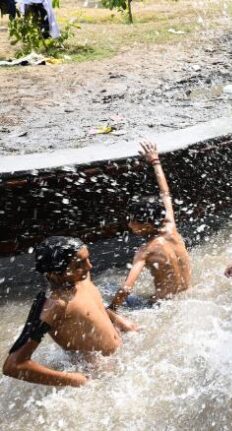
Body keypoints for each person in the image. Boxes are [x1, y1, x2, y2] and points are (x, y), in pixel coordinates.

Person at [3, 237, 137, 387]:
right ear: (55, 272)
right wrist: (73, 379)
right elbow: (14, 365)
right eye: (80, 264)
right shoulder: (53, 306)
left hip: (122, 356)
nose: (90, 266)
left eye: (88, 259)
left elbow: (92, 309)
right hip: (99, 377)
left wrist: (117, 319)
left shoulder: (81, 278)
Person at [109, 141, 192, 310]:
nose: (129, 224)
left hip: (160, 307)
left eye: (133, 220)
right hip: (187, 298)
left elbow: (126, 289)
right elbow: (165, 194)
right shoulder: (171, 227)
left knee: (107, 287)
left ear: (146, 225)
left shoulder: (145, 251)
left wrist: (111, 311)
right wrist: (155, 162)